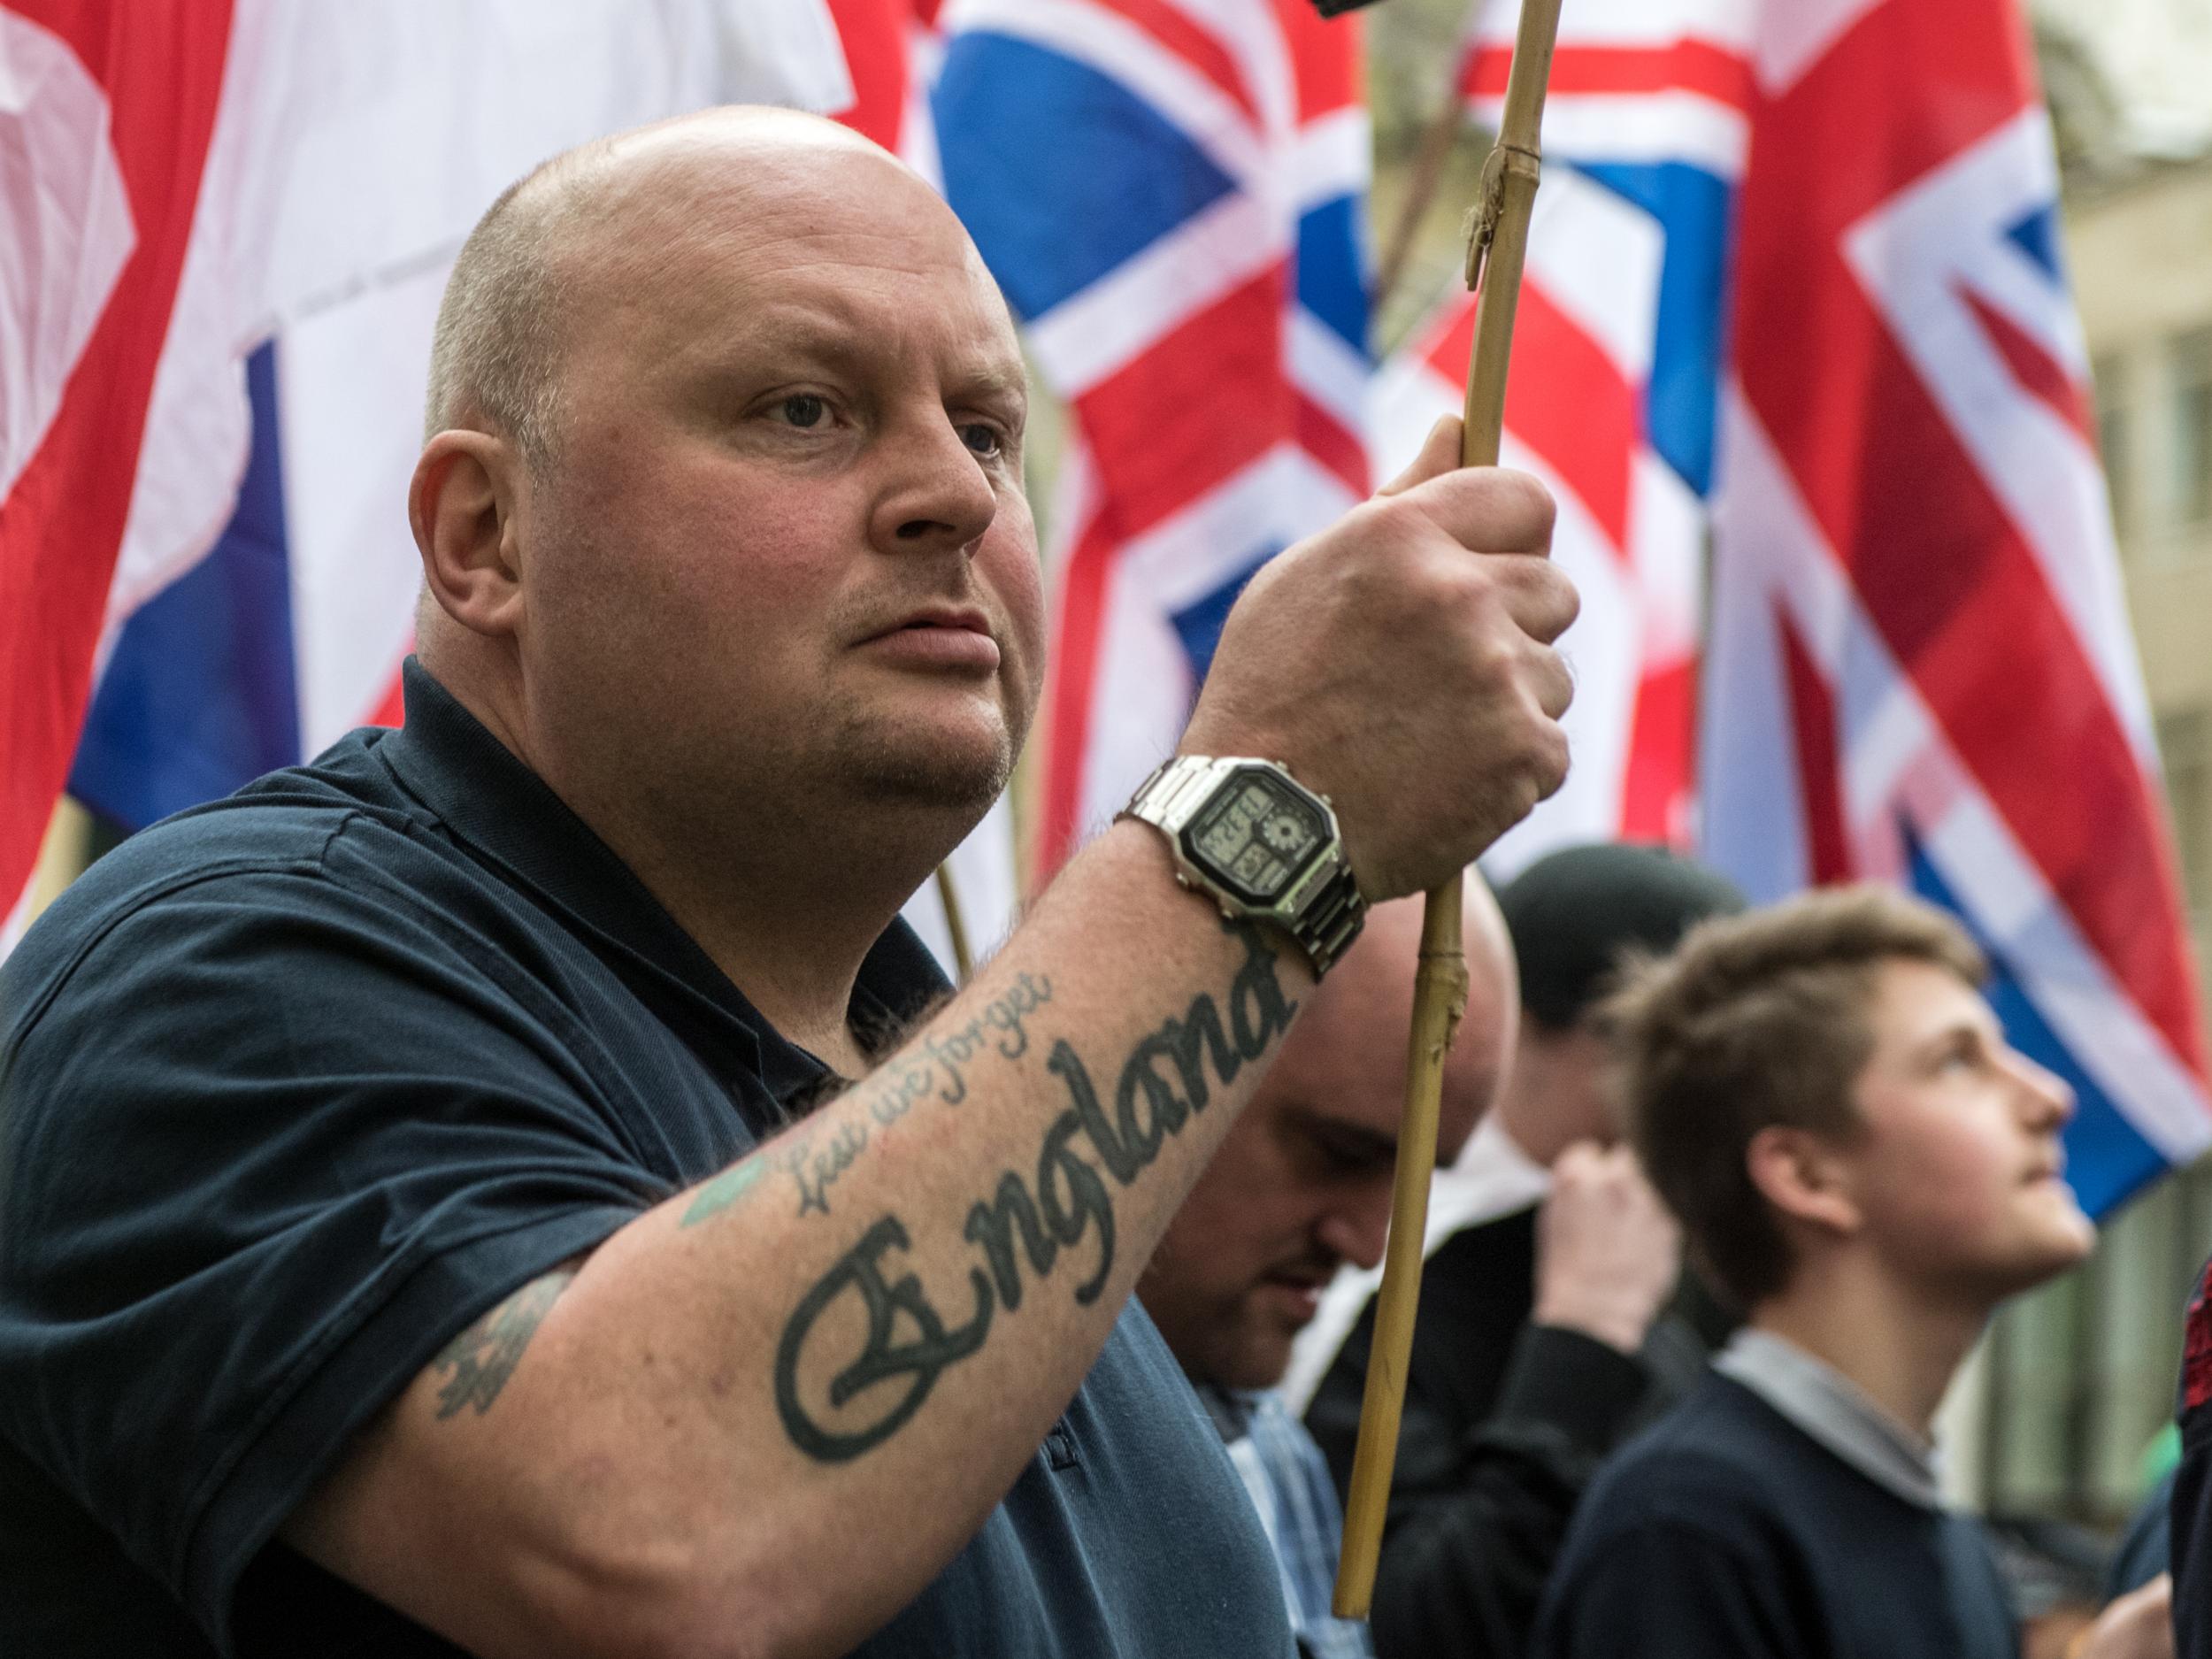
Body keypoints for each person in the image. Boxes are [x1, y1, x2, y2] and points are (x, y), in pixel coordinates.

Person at [0, 108, 1580, 1658]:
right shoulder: (221, 970)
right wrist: (1263, 818)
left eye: (985, 427)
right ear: (485, 534)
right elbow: (657, 1542)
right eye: (803, 408)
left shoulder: (968, 1102)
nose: (956, 496)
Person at [1532, 885, 2131, 1659]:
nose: (2049, 1097)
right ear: (1810, 1175)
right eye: (1956, 1061)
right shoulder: (1689, 1528)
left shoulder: (1954, 1545)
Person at [1295, 842, 1740, 1659]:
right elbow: (1382, 1624)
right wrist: (1579, 1341)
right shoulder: (1364, 1253)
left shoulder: (1693, 1276)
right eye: (1668, 1050)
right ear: (1519, 1020)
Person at [1137, 890, 1518, 1659]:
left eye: (1417, 1181)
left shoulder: (1273, 1445)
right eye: (1340, 1153)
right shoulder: (964, 1470)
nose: (1369, 1245)